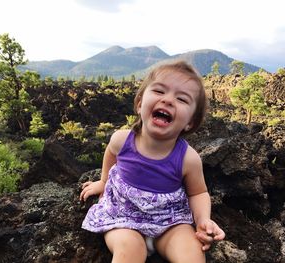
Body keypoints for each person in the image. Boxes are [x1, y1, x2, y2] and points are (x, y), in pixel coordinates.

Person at [80, 60, 225, 263]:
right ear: (140, 104)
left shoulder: (188, 158)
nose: (168, 100)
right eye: (159, 91)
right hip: (123, 216)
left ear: (190, 122)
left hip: (169, 221)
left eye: (182, 99)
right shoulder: (122, 140)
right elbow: (111, 154)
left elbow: (198, 192)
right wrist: (103, 182)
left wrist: (203, 220)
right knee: (130, 250)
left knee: (192, 253)